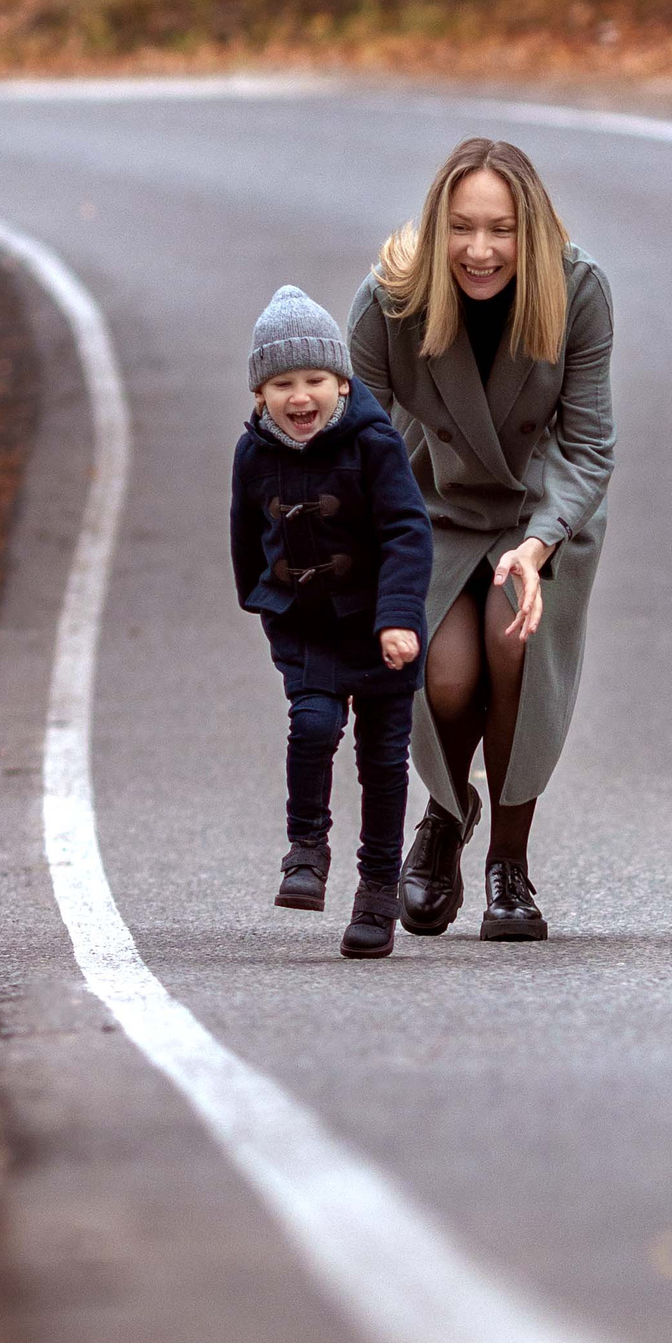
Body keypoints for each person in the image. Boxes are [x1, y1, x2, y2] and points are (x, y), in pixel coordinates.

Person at [349, 137, 616, 942]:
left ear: (529, 230)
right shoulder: (388, 299)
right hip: (429, 509)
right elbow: (358, 441)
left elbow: (590, 444)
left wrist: (538, 546)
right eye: (462, 228)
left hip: (543, 513)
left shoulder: (579, 292)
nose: (480, 250)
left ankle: (509, 864)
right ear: (437, 227)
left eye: (499, 229)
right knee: (449, 676)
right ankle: (444, 813)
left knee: (515, 648)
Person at [230, 286, 433, 959]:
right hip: (308, 625)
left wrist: (400, 617)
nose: (299, 396)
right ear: (261, 393)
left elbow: (408, 530)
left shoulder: (373, 443)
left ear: (341, 383)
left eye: (313, 379)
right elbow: (245, 530)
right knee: (314, 725)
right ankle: (306, 847)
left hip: (382, 627)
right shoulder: (254, 452)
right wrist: (261, 597)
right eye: (282, 382)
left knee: (382, 760)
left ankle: (376, 893)